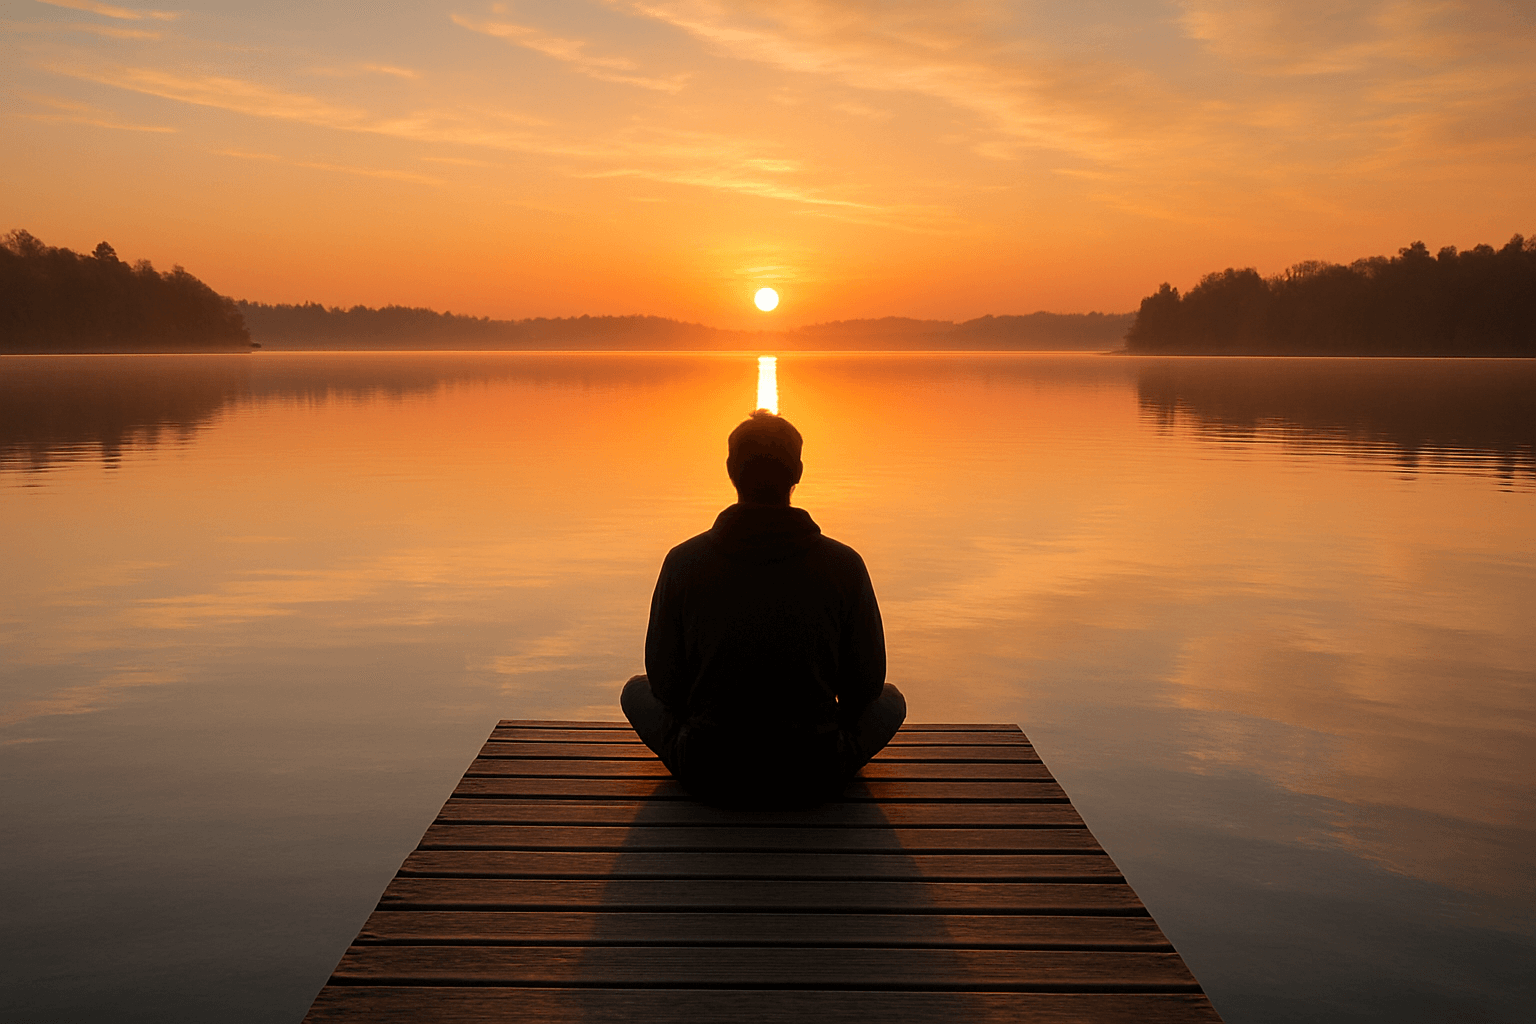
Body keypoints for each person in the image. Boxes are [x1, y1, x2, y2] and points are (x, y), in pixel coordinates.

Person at [621, 409, 906, 806]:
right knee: (892, 701)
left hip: (710, 770)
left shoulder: (683, 562)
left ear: (730, 470)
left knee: (635, 691)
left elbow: (664, 685)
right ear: (799, 472)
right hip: (815, 771)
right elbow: (866, 689)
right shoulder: (844, 564)